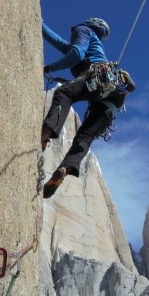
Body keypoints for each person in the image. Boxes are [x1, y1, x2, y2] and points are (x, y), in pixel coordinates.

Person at [40, 17, 136, 198]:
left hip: (99, 77)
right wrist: (39, 22)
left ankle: (46, 132)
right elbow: (57, 40)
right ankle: (65, 168)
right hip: (114, 97)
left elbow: (76, 53)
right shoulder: (91, 42)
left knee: (64, 93)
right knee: (85, 136)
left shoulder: (84, 30)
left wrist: (48, 69)